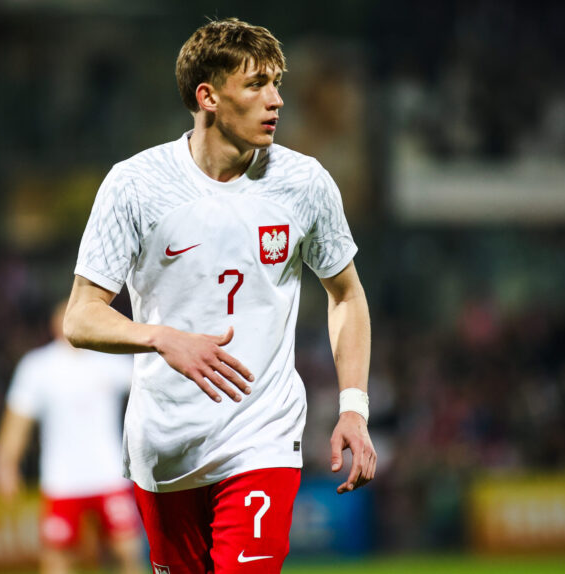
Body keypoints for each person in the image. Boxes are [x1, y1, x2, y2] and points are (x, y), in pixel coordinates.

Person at [63, 18, 375, 573]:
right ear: (207, 96)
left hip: (263, 435)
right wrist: (162, 338)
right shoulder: (135, 185)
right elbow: (81, 318)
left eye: (276, 83)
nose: (276, 100)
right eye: (256, 85)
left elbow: (346, 296)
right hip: (166, 444)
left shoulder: (304, 183)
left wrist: (354, 406)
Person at [0, 302, 144, 574]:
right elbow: (18, 420)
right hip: (62, 480)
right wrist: (6, 466)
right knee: (57, 556)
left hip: (108, 474)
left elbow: (147, 390)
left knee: (127, 551)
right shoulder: (38, 366)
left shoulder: (110, 360)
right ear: (55, 324)